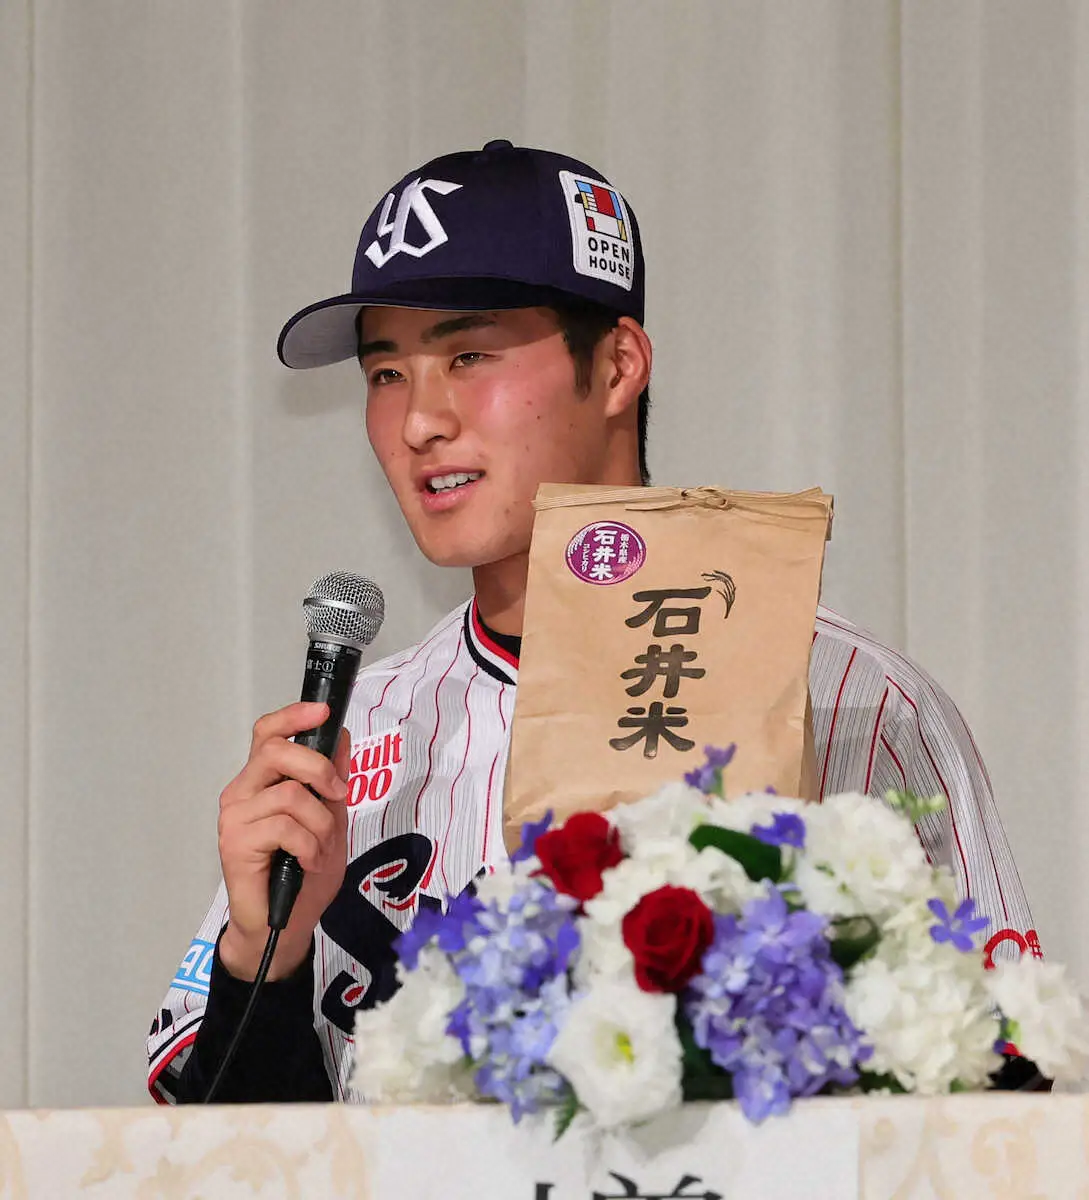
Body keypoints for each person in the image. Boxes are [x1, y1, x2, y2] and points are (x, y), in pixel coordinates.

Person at [147, 140, 1040, 1104]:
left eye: (468, 355)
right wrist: (259, 958)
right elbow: (239, 1162)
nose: (417, 423)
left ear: (616, 367)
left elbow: (1003, 1100)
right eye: (386, 373)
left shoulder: (851, 700)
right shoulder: (356, 739)